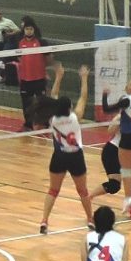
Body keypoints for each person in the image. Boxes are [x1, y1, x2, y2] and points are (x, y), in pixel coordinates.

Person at [37, 63, 93, 233]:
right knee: (83, 191)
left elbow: (54, 95)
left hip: (59, 157)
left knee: (53, 190)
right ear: (69, 108)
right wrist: (84, 78)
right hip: (75, 157)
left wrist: (59, 76)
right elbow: (83, 97)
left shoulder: (52, 119)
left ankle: (44, 220)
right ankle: (90, 219)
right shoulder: (76, 118)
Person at [101, 74, 131, 216]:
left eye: (130, 84)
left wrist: (104, 95)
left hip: (128, 137)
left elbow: (106, 109)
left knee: (125, 169)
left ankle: (128, 198)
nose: (127, 85)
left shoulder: (126, 100)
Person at [16, 16, 50, 130]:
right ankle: (28, 124)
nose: (29, 31)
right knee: (26, 104)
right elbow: (19, 58)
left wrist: (44, 70)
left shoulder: (41, 42)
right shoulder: (20, 42)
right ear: (24, 30)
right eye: (27, 29)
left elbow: (48, 57)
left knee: (42, 102)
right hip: (25, 79)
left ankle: (44, 123)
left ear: (34, 30)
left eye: (31, 29)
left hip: (39, 78)